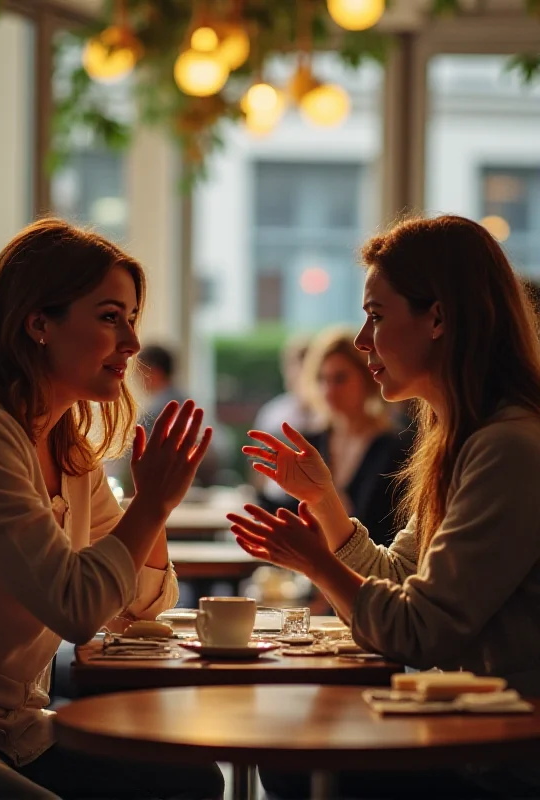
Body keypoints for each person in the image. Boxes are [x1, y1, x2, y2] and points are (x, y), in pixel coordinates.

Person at [228, 214, 540, 799]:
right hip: (475, 725)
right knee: (291, 750)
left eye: (375, 316)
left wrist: (318, 565)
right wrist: (323, 502)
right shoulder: (468, 438)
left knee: (293, 761)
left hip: (509, 752)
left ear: (439, 318)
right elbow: (401, 580)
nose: (364, 340)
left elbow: (419, 631)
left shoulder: (509, 446)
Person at [0, 219, 223, 799]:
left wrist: (157, 504)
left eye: (130, 319)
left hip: (16, 732)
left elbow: (143, 606)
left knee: (192, 779)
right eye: (108, 317)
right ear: (39, 323)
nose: (132, 342)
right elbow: (77, 608)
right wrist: (151, 501)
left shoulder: (67, 449)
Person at [295, 326, 412, 545]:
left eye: (340, 379)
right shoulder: (310, 442)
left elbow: (388, 528)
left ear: (367, 378)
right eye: (322, 379)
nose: (329, 390)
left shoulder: (395, 446)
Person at [253, 334, 321, 515]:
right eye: (291, 366)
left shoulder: (326, 416)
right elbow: (258, 465)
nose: (294, 373)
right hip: (274, 501)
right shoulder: (274, 412)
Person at [137, 343, 188, 435]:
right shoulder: (183, 398)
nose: (138, 378)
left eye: (141, 371)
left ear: (155, 372)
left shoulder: (157, 410)